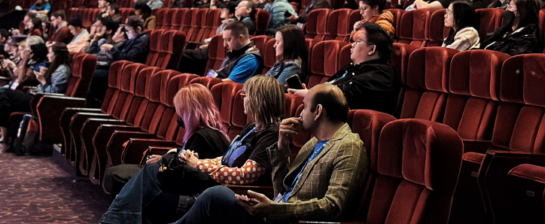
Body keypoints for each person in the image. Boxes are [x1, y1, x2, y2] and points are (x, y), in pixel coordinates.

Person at [183, 84, 367, 224]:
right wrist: (282, 145)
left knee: (216, 196)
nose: (300, 113)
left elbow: (333, 205)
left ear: (318, 111)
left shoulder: (348, 146)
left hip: (289, 219)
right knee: (214, 199)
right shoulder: (313, 142)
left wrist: (275, 209)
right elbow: (282, 190)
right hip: (275, 214)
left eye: (304, 107)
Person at [157, 76, 285, 224]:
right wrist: (196, 161)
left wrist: (198, 165)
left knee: (166, 195)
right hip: (224, 188)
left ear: (259, 100)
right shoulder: (253, 127)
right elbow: (225, 159)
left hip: (243, 200)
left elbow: (245, 175)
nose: (243, 98)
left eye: (247, 95)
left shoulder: (272, 134)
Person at [101, 83, 231, 215]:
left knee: (131, 182)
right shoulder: (209, 131)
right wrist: (167, 158)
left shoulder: (202, 138)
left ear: (188, 112)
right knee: (121, 174)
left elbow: (186, 176)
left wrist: (164, 162)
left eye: (180, 110)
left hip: (192, 194)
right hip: (185, 184)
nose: (178, 114)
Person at [294, 24, 399, 116]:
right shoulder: (353, 67)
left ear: (372, 49)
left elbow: (345, 94)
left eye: (358, 41)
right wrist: (310, 91)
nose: (352, 45)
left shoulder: (382, 76)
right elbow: (332, 86)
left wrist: (313, 94)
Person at [0, 43, 71, 145]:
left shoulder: (62, 70)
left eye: (50, 53)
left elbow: (54, 93)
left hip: (42, 101)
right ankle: (6, 136)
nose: (48, 55)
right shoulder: (57, 67)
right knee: (4, 102)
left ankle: (5, 136)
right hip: (37, 96)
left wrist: (42, 80)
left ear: (57, 55)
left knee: (6, 94)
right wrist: (44, 76)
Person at [86, 16, 151, 107]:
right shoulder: (133, 39)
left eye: (128, 30)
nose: (126, 33)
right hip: (117, 68)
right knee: (90, 70)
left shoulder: (142, 41)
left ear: (138, 29)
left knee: (92, 75)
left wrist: (112, 48)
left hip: (125, 72)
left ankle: (96, 104)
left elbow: (128, 59)